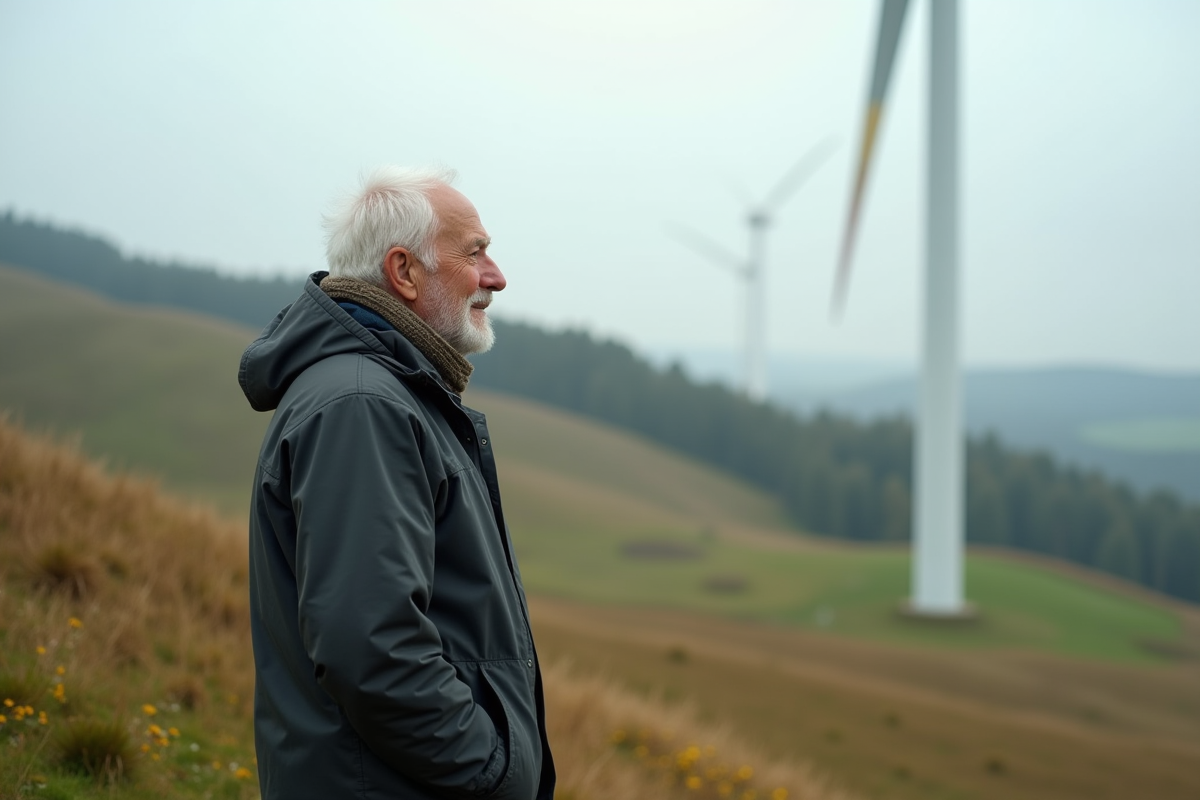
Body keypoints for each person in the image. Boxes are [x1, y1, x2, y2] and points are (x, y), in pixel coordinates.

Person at [238, 166, 555, 799]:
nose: (496, 276)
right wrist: (489, 773)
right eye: (475, 253)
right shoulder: (363, 405)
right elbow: (370, 645)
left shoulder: (386, 396)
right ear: (403, 271)